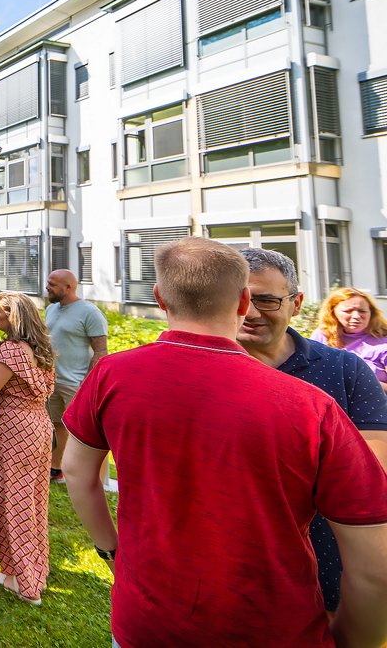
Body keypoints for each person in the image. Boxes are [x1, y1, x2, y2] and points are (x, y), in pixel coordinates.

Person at [62, 237, 387, 648]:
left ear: (160, 299)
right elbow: (375, 566)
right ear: (241, 301)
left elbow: (75, 468)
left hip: (145, 621)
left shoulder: (111, 375)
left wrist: (111, 550)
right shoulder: (311, 407)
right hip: (273, 628)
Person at [236, 248, 387, 613]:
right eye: (239, 300)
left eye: (267, 300)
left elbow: (374, 468)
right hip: (231, 562)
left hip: (328, 559)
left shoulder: (344, 370)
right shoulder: (201, 372)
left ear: (297, 303)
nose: (251, 312)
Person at [0, 292, 55, 606]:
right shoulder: (36, 349)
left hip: (16, 431)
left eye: (0, 312)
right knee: (33, 499)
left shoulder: (13, 350)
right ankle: (35, 567)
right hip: (38, 426)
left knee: (13, 500)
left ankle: (22, 580)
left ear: (13, 317)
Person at [43, 269, 107, 483]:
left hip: (76, 383)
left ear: (68, 287)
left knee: (87, 433)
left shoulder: (90, 312)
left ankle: (97, 480)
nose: (47, 287)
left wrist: (87, 384)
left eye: (52, 284)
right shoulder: (51, 309)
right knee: (58, 425)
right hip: (53, 381)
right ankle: (57, 467)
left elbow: (100, 351)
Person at [312, 288, 387, 393]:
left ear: (371, 313)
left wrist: (363, 381)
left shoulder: (383, 342)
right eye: (348, 311)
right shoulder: (322, 335)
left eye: (362, 311)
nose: (356, 316)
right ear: (333, 312)